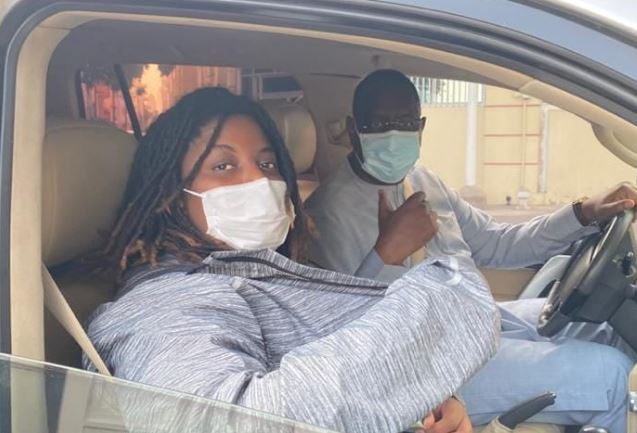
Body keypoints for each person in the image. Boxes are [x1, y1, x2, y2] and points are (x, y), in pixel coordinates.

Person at [84, 87, 498, 433]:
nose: (258, 180)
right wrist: (445, 298)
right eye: (223, 166)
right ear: (170, 195)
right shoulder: (163, 306)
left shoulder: (253, 269)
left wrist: (431, 398)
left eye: (267, 163)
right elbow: (229, 422)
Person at [305, 69, 637, 433]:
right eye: (379, 124)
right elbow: (348, 332)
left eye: (405, 122)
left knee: (603, 327)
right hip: (431, 366)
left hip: (477, 323)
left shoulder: (423, 180)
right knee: (613, 376)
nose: (393, 133)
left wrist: (583, 212)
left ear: (421, 127)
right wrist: (387, 255)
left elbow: (497, 243)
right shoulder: (328, 213)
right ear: (353, 130)